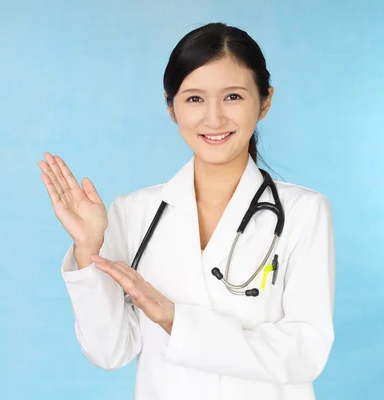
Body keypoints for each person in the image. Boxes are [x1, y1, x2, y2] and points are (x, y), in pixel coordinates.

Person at [38, 22, 335, 400]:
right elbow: (110, 352)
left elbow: (304, 353)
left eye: (233, 97)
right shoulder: (135, 214)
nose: (213, 119)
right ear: (171, 107)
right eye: (194, 98)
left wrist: (177, 323)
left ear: (265, 101)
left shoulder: (303, 212)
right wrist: (88, 247)